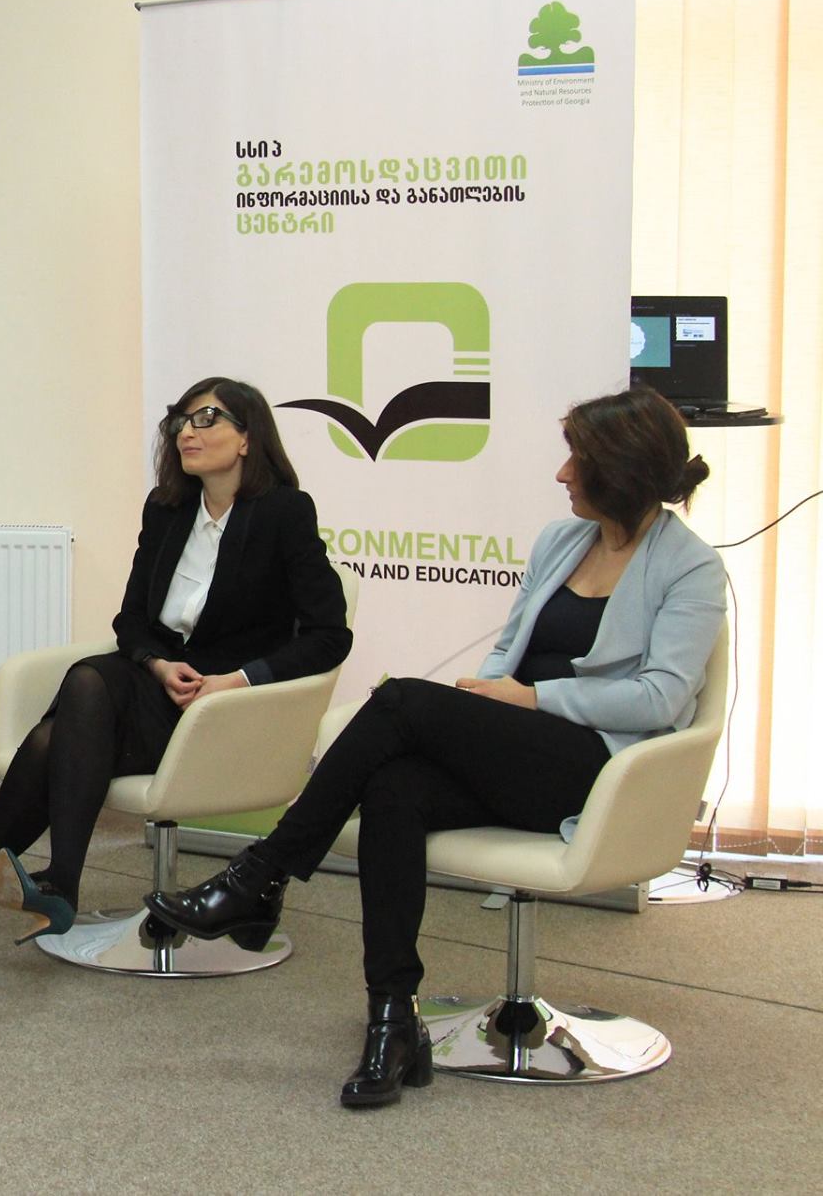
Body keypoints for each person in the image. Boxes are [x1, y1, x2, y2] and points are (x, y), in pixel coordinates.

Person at [145, 385, 724, 1108]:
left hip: (599, 769)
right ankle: (392, 1018)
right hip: (517, 748)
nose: (562, 473)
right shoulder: (561, 541)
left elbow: (662, 697)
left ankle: (263, 874)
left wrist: (531, 699)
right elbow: (509, 650)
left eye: (577, 459)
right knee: (395, 790)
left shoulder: (690, 566)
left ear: (622, 469)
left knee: (401, 700)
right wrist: (484, 701)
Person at [0, 377, 352, 968]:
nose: (187, 432)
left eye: (206, 419)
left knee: (55, 735)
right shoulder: (167, 510)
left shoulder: (284, 513)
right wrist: (158, 664)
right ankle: (53, 882)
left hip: (226, 713)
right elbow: (131, 621)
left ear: (247, 437)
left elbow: (329, 636)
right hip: (158, 690)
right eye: (180, 421)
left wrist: (235, 680)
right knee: (86, 682)